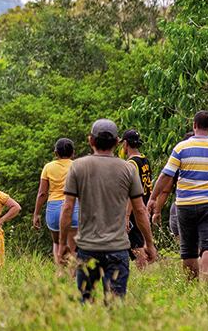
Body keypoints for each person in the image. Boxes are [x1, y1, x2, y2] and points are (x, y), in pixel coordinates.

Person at [61, 119, 157, 302]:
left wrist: (62, 244)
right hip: (117, 248)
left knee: (85, 302)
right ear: (117, 142)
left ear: (91, 140)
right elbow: (140, 210)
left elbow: (67, 208)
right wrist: (149, 243)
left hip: (87, 247)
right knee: (114, 303)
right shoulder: (128, 169)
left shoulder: (78, 166)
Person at [148, 111, 208, 282]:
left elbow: (166, 175)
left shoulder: (181, 148)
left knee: (188, 249)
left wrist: (153, 198)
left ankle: (191, 285)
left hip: (185, 205)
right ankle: (204, 284)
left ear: (194, 125)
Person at [33, 138, 80, 266]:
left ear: (55, 153)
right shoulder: (77, 166)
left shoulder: (48, 167)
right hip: (73, 207)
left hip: (53, 209)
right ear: (73, 152)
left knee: (57, 242)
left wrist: (36, 214)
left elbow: (42, 193)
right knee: (73, 245)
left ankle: (60, 270)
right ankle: (72, 273)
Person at [151, 130, 195, 243]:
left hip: (182, 204)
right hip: (206, 204)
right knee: (203, 243)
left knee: (183, 244)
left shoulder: (179, 158)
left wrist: (157, 210)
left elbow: (165, 190)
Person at [121, 130, 154, 269]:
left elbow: (131, 192)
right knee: (141, 239)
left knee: (136, 242)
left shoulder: (131, 163)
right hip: (145, 204)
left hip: (135, 208)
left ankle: (143, 270)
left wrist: (127, 215)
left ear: (125, 144)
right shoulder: (144, 160)